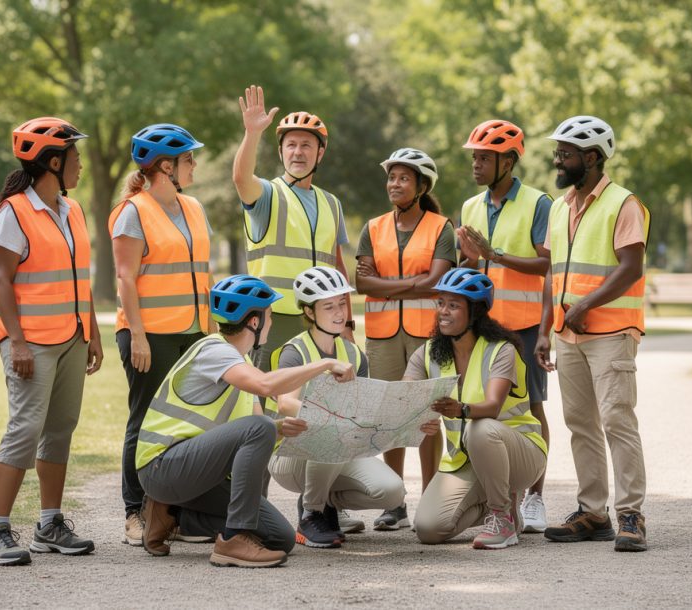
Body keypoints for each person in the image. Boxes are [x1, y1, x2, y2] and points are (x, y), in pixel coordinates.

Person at [135, 275, 355, 568]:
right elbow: (265, 387)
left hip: (195, 474)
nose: (272, 322)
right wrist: (325, 364)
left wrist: (278, 429)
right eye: (270, 316)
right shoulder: (213, 350)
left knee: (281, 538)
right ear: (254, 321)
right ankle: (233, 539)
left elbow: (254, 427)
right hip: (162, 467)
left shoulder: (242, 363)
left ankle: (171, 516)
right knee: (261, 427)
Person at [0, 116, 103, 566]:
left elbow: (79, 275)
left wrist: (91, 331)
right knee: (25, 430)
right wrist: (16, 341)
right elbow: (0, 278)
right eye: (75, 156)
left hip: (71, 336)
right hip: (29, 341)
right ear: (53, 161)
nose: (81, 164)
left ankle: (49, 524)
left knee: (60, 429)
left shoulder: (73, 210)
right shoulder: (12, 212)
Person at [535, 115, 651, 552]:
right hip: (568, 335)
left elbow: (631, 267)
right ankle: (593, 512)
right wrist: (549, 326)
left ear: (591, 157)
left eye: (564, 153)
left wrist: (585, 305)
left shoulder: (623, 204)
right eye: (558, 152)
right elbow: (552, 272)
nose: (557, 160)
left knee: (617, 419)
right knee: (580, 423)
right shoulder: (561, 206)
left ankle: (631, 514)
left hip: (611, 332)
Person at [109, 123, 214, 546]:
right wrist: (137, 336)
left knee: (189, 422)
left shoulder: (194, 208)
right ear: (165, 167)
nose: (194, 165)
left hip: (194, 333)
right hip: (149, 334)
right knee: (144, 421)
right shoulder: (132, 212)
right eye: (189, 159)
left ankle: (178, 514)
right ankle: (134, 513)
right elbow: (125, 278)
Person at [455, 120, 554, 533]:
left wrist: (495, 254)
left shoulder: (538, 203)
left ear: (509, 161)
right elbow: (472, 266)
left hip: (526, 326)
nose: (476, 164)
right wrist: (472, 262)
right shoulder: (470, 207)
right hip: (486, 329)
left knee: (531, 408)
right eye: (474, 157)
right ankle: (499, 498)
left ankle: (535, 497)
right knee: (488, 409)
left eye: (484, 158)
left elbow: (548, 263)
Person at [267, 266, 406, 548]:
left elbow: (364, 409)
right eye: (328, 306)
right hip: (290, 455)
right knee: (332, 430)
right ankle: (310, 515)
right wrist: (331, 416)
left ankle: (323, 502)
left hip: (339, 449)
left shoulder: (354, 353)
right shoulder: (295, 351)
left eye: (342, 303)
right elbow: (285, 402)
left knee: (392, 492)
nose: (339, 312)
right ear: (309, 312)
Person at [355, 148, 456, 531]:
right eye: (391, 177)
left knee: (428, 414)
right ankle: (394, 501)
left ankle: (430, 498)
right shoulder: (373, 227)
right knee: (390, 415)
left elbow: (437, 281)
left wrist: (388, 286)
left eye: (403, 179)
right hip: (382, 336)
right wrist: (413, 284)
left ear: (421, 186)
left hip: (427, 335)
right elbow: (362, 283)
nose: (394, 184)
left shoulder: (440, 227)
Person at [410, 268, 547, 549]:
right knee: (429, 529)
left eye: (453, 305)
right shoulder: (427, 353)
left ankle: (502, 519)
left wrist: (460, 409)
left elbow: (493, 406)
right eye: (441, 303)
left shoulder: (501, 349)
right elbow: (404, 396)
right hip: (466, 459)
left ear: (475, 312)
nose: (443, 312)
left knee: (481, 427)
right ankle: (500, 506)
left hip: (519, 452)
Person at [232, 85, 354, 372]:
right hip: (275, 317)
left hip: (321, 319)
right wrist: (252, 133)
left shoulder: (332, 203)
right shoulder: (266, 195)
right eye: (291, 145)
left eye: (306, 145)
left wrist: (346, 321)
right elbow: (240, 178)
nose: (298, 152)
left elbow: (337, 266)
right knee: (268, 398)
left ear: (320, 153)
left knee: (317, 400)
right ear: (281, 151)